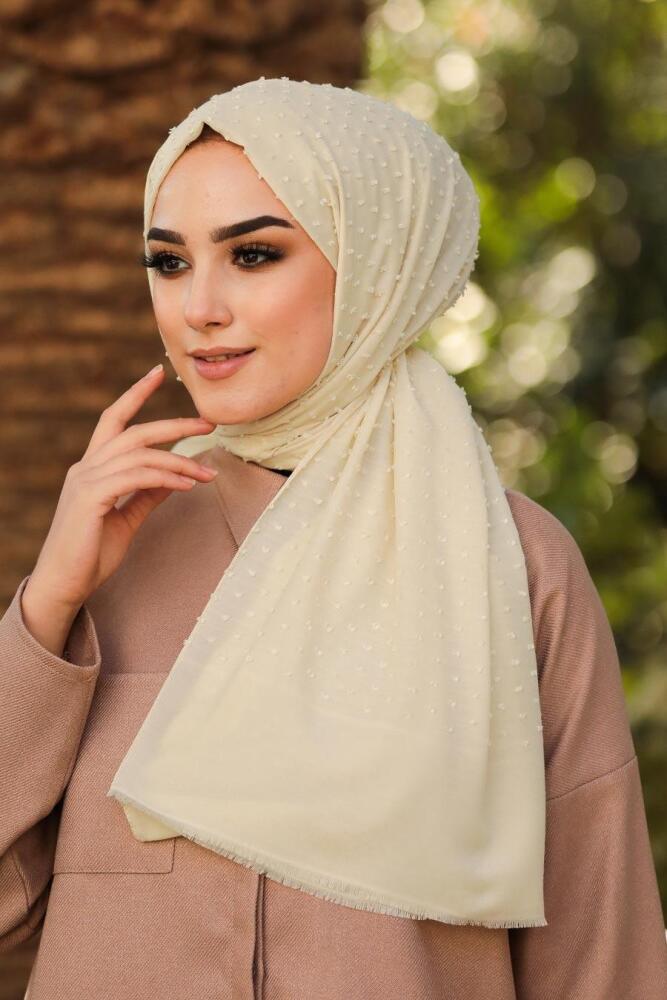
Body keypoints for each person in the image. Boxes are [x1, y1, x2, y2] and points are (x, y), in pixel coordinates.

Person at [1, 77, 666, 1000]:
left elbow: (600, 957)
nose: (198, 307)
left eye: (254, 254)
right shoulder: (119, 543)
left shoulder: (513, 565)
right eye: (169, 262)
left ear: (376, 268)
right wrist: (47, 608)